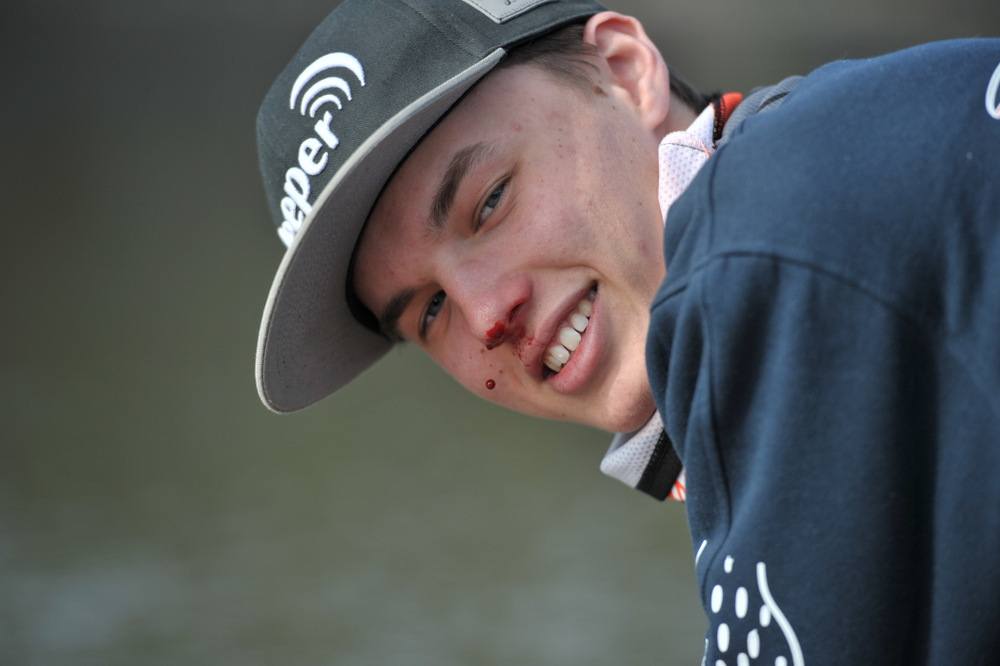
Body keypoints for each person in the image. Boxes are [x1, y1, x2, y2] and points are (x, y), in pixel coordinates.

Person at [253, 1, 1000, 662]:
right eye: (429, 311)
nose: (484, 316)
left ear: (625, 70)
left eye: (490, 202)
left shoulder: (763, 246)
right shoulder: (838, 153)